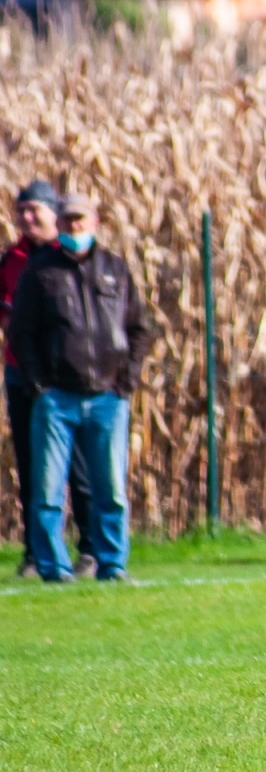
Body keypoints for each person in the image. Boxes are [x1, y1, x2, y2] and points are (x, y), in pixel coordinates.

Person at [10, 193, 151, 583]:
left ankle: (112, 565)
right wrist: (40, 384)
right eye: (68, 220)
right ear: (61, 223)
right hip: (57, 399)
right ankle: (54, 568)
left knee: (111, 491)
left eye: (81, 220)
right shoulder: (40, 272)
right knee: (49, 492)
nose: (74, 227)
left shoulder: (115, 269)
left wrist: (127, 380)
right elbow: (21, 333)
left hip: (107, 397)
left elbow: (139, 329)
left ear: (95, 222)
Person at [1, 182, 93, 578]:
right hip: (22, 374)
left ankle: (90, 550)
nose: (26, 218)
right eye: (20, 211)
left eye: (34, 210)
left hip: (65, 378)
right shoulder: (12, 259)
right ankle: (36, 553)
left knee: (80, 466)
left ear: (55, 213)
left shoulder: (70, 256)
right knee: (30, 463)